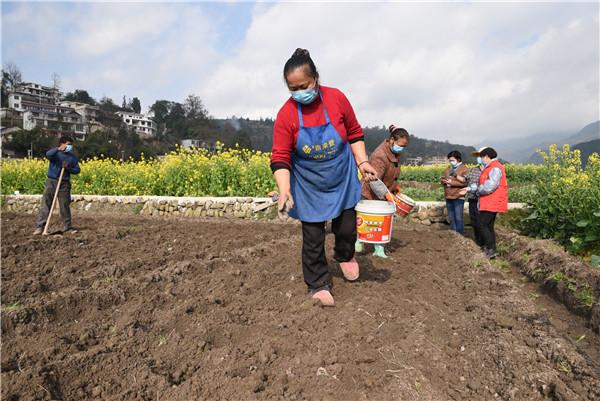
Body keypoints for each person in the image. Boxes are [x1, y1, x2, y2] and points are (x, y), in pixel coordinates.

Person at [271, 48, 377, 306]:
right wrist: (284, 189)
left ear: (316, 78)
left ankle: (344, 256)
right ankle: (318, 283)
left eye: (304, 86)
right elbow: (280, 156)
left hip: (341, 177)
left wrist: (362, 162)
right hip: (308, 185)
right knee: (313, 237)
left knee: (347, 227)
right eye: (293, 88)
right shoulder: (286, 114)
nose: (299, 93)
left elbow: (353, 132)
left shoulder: (336, 98)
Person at [355, 124, 410, 258]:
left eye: (404, 146)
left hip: (383, 192)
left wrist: (395, 186)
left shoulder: (394, 153)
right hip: (369, 193)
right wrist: (387, 194)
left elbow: (392, 173)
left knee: (381, 223)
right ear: (392, 140)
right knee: (367, 221)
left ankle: (378, 249)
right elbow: (373, 179)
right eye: (400, 145)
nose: (401, 148)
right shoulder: (380, 155)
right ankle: (358, 242)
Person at [462, 147, 508, 259]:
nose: (480, 159)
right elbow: (480, 183)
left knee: (482, 224)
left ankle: (491, 249)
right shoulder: (489, 168)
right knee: (488, 225)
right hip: (488, 201)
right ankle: (492, 249)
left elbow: (490, 186)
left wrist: (478, 190)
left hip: (492, 201)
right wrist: (469, 189)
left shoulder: (495, 168)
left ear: (487, 156)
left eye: (481, 157)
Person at [34, 136, 81, 235]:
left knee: (64, 205)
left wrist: (68, 167)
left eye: (71, 145)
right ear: (62, 144)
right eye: (68, 144)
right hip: (52, 181)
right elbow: (48, 154)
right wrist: (58, 149)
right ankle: (40, 227)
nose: (70, 147)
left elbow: (77, 170)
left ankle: (67, 227)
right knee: (46, 204)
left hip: (64, 183)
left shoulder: (72, 157)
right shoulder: (55, 154)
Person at [441, 151, 468, 234]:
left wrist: (451, 182)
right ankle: (453, 234)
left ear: (458, 159)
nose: (451, 162)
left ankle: (460, 235)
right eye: (450, 160)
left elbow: (465, 182)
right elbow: (443, 179)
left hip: (458, 196)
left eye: (452, 160)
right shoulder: (448, 169)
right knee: (451, 217)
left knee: (458, 217)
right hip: (448, 196)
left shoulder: (464, 169)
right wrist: (443, 181)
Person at [464, 147, 486, 248]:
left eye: (480, 156)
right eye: (477, 156)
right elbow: (464, 179)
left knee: (482, 222)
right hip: (472, 199)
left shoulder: (489, 170)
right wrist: (454, 175)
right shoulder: (473, 170)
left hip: (483, 200)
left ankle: (484, 243)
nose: (478, 158)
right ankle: (478, 242)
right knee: (474, 221)